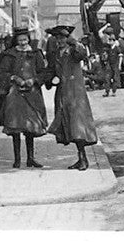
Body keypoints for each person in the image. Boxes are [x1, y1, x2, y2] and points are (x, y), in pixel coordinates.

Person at [0, 28, 48, 169]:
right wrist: (14, 78)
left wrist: (34, 80)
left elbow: (43, 72)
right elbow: (1, 73)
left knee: (30, 127)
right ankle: (17, 159)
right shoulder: (9, 55)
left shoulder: (36, 54)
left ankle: (30, 158)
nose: (23, 42)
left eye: (25, 39)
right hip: (14, 94)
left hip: (32, 94)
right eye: (20, 40)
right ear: (16, 41)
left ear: (28, 39)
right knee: (15, 126)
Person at [45, 25, 98, 170]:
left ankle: (83, 159)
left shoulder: (74, 50)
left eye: (62, 38)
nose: (60, 41)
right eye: (57, 38)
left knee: (77, 125)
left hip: (75, 92)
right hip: (62, 92)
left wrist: (74, 42)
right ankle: (81, 158)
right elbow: (51, 69)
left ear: (67, 38)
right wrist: (50, 79)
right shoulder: (56, 53)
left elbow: (82, 54)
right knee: (68, 125)